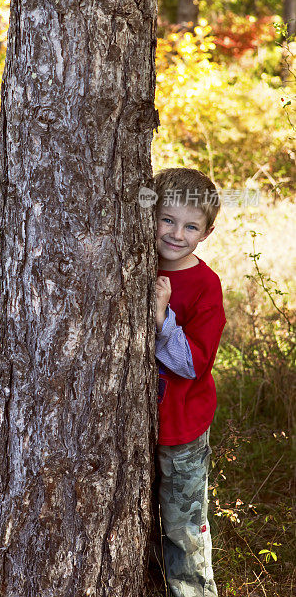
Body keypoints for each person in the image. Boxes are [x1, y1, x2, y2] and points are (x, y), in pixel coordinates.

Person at [153, 167, 226, 597]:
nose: (177, 233)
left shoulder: (204, 285)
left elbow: (191, 364)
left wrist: (163, 319)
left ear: (207, 232)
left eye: (191, 226)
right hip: (134, 427)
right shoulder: (131, 263)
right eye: (167, 219)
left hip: (181, 430)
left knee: (182, 529)